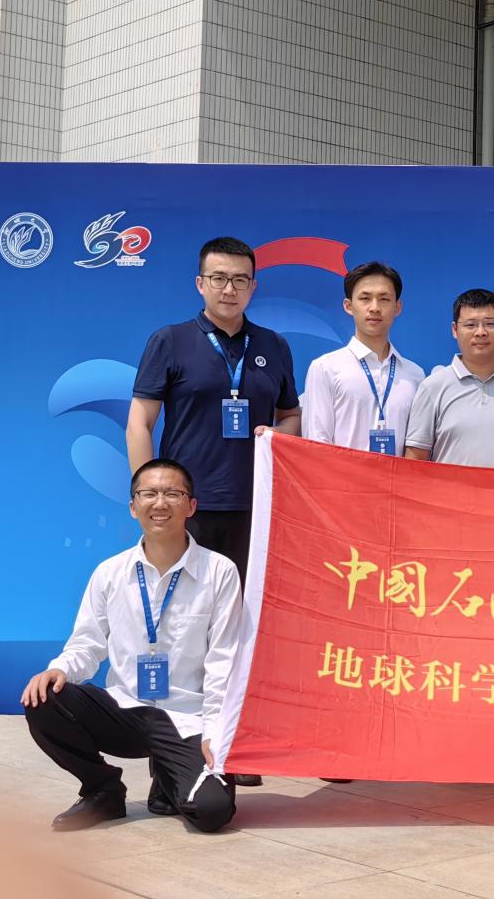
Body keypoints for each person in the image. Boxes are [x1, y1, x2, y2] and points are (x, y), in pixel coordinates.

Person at [126, 235, 300, 788]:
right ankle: (172, 761)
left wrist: (279, 436)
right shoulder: (170, 341)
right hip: (187, 511)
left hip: (254, 510)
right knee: (180, 632)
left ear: (254, 285)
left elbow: (290, 416)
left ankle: (233, 746)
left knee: (241, 634)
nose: (230, 289)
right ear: (200, 284)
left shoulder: (273, 345)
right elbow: (140, 421)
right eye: (219, 278)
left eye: (240, 279)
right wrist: (151, 495)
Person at [21, 460, 240, 833]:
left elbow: (224, 660)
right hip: (125, 709)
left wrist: (216, 731)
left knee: (212, 811)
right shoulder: (110, 572)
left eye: (173, 493)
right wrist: (59, 668)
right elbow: (87, 643)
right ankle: (103, 790)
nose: (160, 503)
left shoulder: (220, 572)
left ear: (191, 506)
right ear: (133, 506)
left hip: (188, 719)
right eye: (149, 493)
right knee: (44, 697)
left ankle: (169, 778)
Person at [405, 288, 494, 469]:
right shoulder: (432, 387)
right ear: (455, 330)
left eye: (490, 324)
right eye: (470, 325)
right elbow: (414, 462)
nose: (481, 332)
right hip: (450, 490)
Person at [302, 261, 425, 453]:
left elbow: (418, 447)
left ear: (397, 307)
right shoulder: (325, 368)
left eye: (384, 299)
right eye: (365, 298)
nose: (375, 308)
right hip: (341, 473)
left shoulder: (415, 375)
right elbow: (316, 443)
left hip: (397, 473)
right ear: (348, 306)